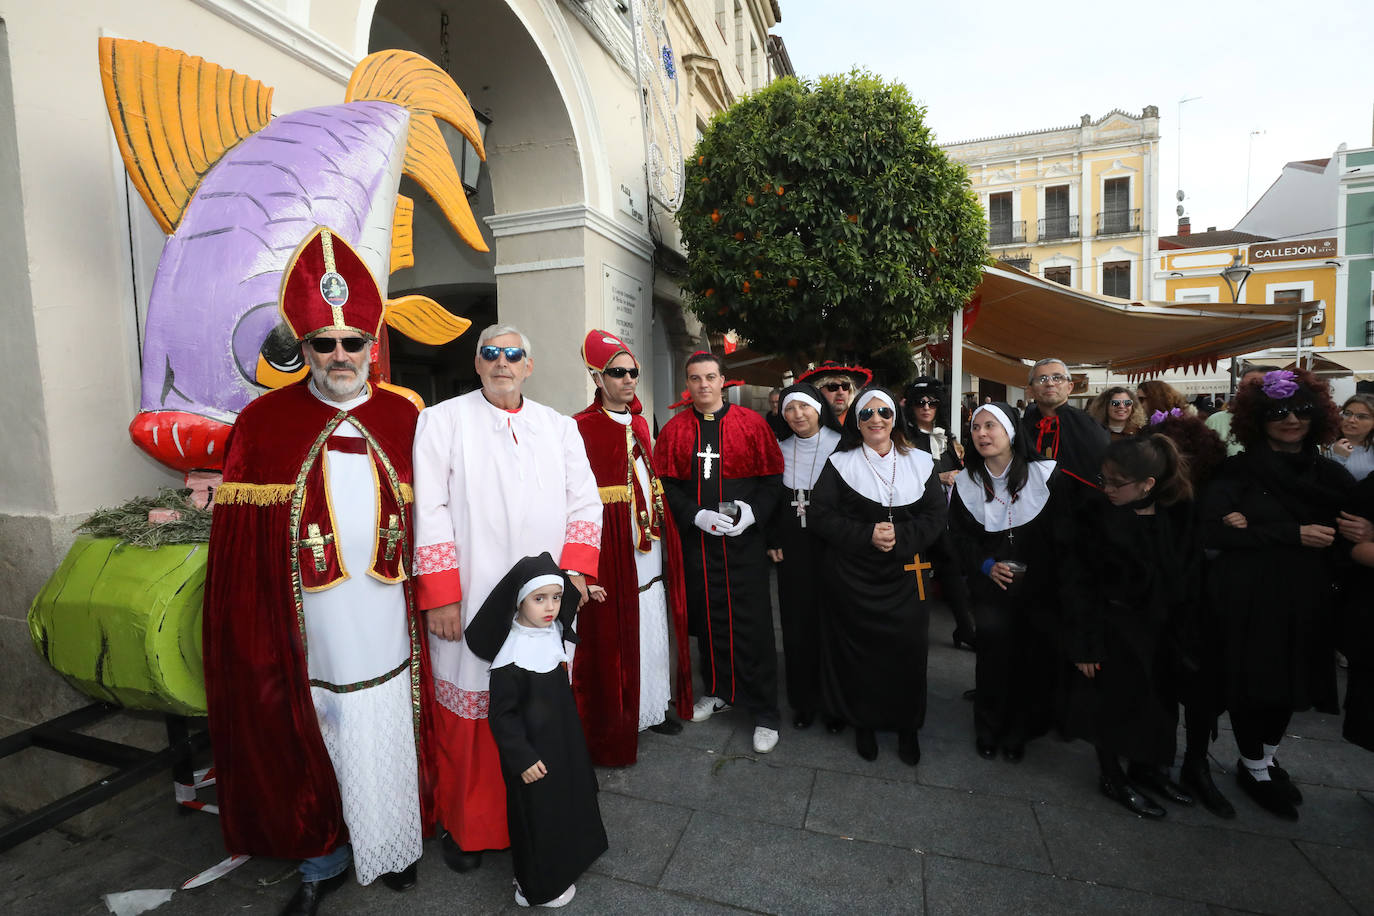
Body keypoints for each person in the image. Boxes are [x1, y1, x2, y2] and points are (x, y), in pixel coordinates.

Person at [203, 226, 433, 915]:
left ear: (372, 345)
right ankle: (323, 852)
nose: (339, 355)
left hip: (390, 614)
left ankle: (393, 843)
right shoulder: (265, 421)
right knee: (319, 719)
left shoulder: (406, 415)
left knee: (388, 711)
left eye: (351, 342)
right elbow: (242, 547)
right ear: (303, 348)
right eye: (323, 344)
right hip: (309, 623)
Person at [412, 324, 602, 871]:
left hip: (543, 604)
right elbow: (430, 510)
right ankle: (471, 829)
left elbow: (585, 505)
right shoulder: (441, 421)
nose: (502, 363)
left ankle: (540, 820)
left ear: (529, 365)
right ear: (476, 364)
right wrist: (442, 593)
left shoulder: (559, 427)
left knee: (541, 711)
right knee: (471, 708)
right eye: (490, 354)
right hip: (471, 595)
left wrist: (575, 577)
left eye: (513, 355)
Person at [1202, 368, 1355, 820]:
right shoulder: (1236, 471)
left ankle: (1264, 759)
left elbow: (1352, 525)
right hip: (1251, 596)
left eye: (1301, 410)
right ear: (1258, 419)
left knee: (1293, 684)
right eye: (1278, 412)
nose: (1291, 419)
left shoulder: (1330, 473)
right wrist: (1288, 533)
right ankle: (1254, 764)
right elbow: (1209, 532)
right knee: (1257, 683)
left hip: (1309, 597)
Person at [1064, 435, 1203, 818]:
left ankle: (1149, 768)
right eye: (1104, 479)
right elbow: (1079, 585)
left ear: (1148, 484)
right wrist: (1085, 645)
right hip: (1113, 626)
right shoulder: (1095, 516)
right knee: (1111, 704)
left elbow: (1188, 572)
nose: (1107, 489)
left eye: (1116, 482)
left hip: (1160, 628)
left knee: (1159, 704)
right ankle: (1112, 775)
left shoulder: (1177, 513)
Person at [571, 330, 691, 766]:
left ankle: (653, 705)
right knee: (619, 629)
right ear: (596, 377)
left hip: (650, 544)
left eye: (633, 373)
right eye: (617, 373)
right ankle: (621, 716)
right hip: (614, 548)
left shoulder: (640, 423)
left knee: (652, 618)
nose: (628, 380)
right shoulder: (580, 428)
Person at [654, 351, 785, 754]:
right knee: (709, 621)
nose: (703, 385)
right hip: (700, 545)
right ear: (687, 384)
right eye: (695, 379)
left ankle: (765, 711)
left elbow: (771, 480)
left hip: (744, 545)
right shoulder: (676, 430)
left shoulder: (752, 424)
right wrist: (695, 516)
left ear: (723, 381)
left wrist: (752, 513)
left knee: (753, 623)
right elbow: (667, 486)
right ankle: (718, 690)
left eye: (710, 377)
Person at [808, 388, 947, 764]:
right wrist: (866, 533)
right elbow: (821, 516)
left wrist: (901, 537)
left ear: (895, 418)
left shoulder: (920, 461)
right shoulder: (840, 464)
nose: (876, 420)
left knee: (909, 652)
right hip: (855, 575)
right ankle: (864, 723)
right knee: (860, 653)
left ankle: (907, 727)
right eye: (866, 414)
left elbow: (935, 516)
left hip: (907, 576)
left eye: (883, 412)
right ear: (857, 421)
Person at [464, 554, 608, 908]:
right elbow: (503, 717)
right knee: (540, 817)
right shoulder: (510, 657)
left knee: (569, 801)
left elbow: (566, 605)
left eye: (555, 598)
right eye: (539, 599)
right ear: (519, 600)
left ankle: (572, 859)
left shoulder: (551, 628)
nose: (550, 608)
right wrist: (522, 757)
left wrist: (584, 590)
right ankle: (539, 886)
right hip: (535, 755)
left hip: (564, 742)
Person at [946, 403, 1071, 764]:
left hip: (1039, 588)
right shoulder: (967, 481)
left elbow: (1064, 536)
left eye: (990, 426)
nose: (982, 434)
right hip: (993, 587)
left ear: (1011, 431)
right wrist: (986, 565)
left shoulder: (1046, 476)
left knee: (1032, 660)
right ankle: (988, 729)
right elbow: (960, 539)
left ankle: (1020, 731)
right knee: (992, 660)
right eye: (975, 428)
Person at [765, 381, 843, 730]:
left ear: (818, 409)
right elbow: (769, 499)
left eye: (804, 407)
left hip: (833, 545)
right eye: (789, 409)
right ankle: (803, 701)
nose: (797, 415)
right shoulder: (778, 448)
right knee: (797, 624)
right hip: (793, 545)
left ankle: (836, 702)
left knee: (834, 621)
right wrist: (771, 537)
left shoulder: (843, 446)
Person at [902, 376, 976, 649]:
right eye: (920, 402)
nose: (926, 407)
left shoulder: (948, 438)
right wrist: (940, 477)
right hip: (916, 517)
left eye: (932, 403)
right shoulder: (905, 438)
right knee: (917, 574)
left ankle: (965, 628)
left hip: (948, 519)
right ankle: (913, 629)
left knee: (952, 569)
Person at [1020, 358, 1108, 484]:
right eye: (1042, 379)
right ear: (1030, 390)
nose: (1050, 383)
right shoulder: (1019, 428)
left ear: (1069, 387)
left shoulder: (1089, 426)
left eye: (1057, 378)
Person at [1206, 366, 1278, 456]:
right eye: (1242, 387)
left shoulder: (1287, 420)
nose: (1245, 393)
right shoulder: (1218, 420)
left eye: (1255, 387)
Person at [797, 361, 873, 423]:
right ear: (817, 391)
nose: (841, 392)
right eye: (833, 387)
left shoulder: (862, 421)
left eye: (845, 386)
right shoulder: (807, 425)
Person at [1330, 394, 1374, 481]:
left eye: (1361, 417)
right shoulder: (1325, 447)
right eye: (1347, 414)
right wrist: (1337, 458)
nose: (1351, 420)